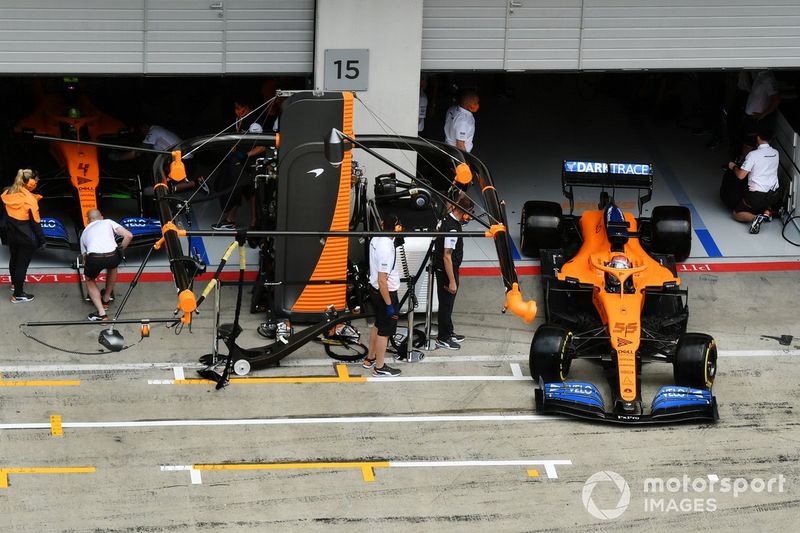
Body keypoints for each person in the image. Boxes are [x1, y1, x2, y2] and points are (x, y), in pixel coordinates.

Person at [211, 98, 266, 230]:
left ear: (247, 107)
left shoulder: (255, 122)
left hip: (252, 162)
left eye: (239, 108)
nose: (236, 111)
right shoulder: (239, 120)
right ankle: (231, 220)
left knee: (251, 192)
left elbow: (263, 146)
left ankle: (254, 222)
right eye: (235, 108)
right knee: (242, 189)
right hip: (239, 161)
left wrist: (246, 155)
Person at [362, 214, 402, 377]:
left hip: (374, 290)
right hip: (386, 293)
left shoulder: (376, 238)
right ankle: (380, 367)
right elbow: (382, 280)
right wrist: (389, 305)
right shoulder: (386, 247)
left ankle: (369, 358)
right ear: (397, 228)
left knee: (378, 325)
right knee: (384, 332)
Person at [433, 192, 474, 350]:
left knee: (447, 304)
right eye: (468, 213)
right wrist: (452, 281)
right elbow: (447, 256)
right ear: (463, 211)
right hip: (446, 271)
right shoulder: (452, 229)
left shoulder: (445, 217)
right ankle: (443, 338)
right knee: (446, 305)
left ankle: (448, 332)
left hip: (444, 268)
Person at [79, 209, 133, 320]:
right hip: (112, 255)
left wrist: (89, 270)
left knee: (89, 279)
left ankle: (102, 314)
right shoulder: (108, 221)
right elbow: (128, 235)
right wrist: (120, 251)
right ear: (101, 217)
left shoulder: (84, 233)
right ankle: (106, 300)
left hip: (94, 257)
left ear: (88, 220)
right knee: (113, 267)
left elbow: (85, 258)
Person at [2, 169, 45, 303]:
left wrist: (33, 197)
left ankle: (15, 284)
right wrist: (42, 240)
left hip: (11, 234)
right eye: (36, 181)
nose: (37, 183)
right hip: (26, 237)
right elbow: (36, 223)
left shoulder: (8, 192)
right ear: (31, 182)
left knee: (14, 259)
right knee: (22, 265)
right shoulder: (29, 201)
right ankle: (18, 294)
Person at [727, 126, 780, 234]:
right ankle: (768, 211)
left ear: (758, 137)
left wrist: (733, 166)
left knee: (736, 213)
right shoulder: (776, 152)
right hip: (774, 195)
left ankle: (756, 218)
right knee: (764, 203)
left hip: (756, 196)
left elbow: (741, 175)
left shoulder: (753, 154)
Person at [741, 70, 781, 154]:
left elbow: (776, 99)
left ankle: (744, 165)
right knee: (747, 142)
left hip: (758, 119)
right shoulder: (758, 74)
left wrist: (763, 114)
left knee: (750, 144)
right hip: (750, 117)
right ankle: (744, 163)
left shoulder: (767, 78)